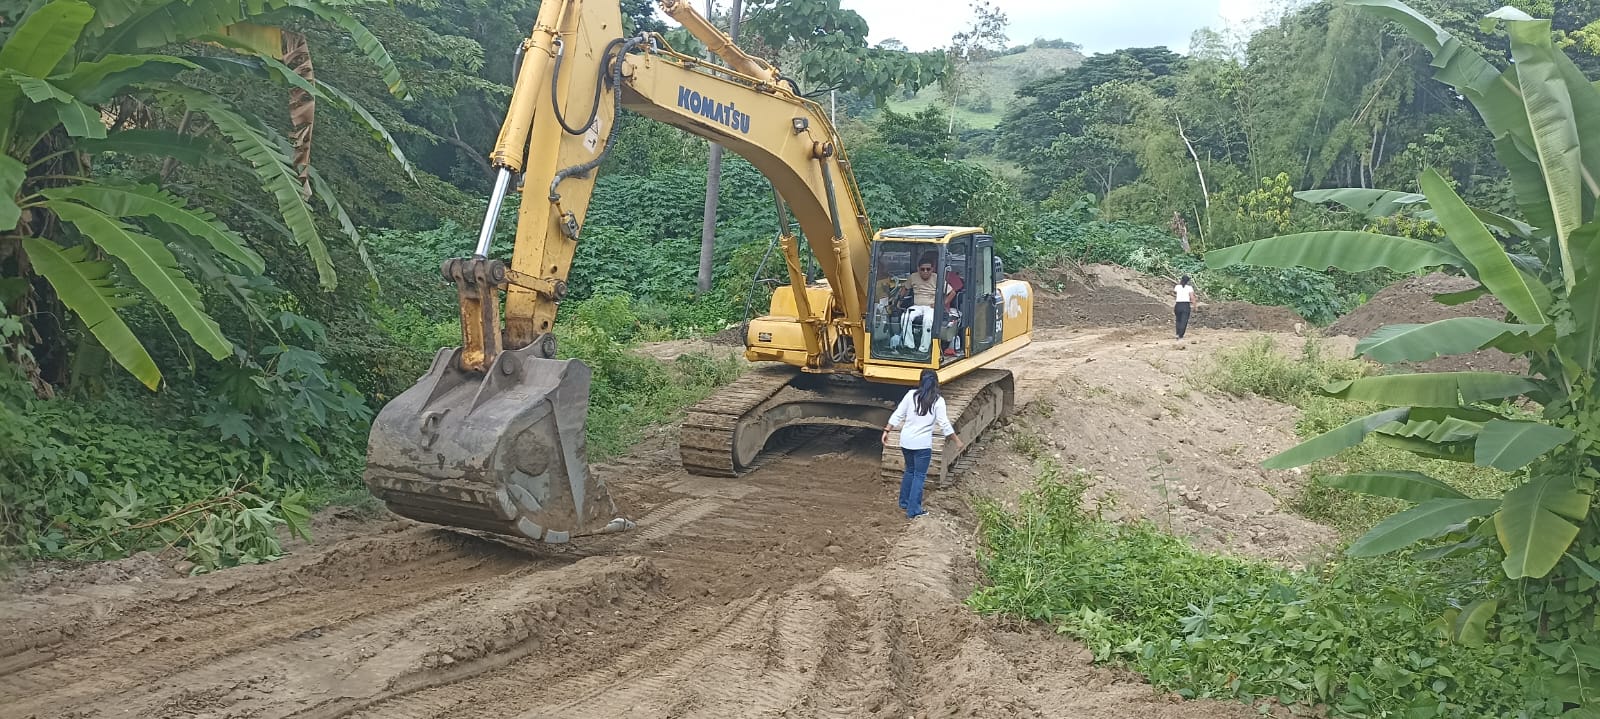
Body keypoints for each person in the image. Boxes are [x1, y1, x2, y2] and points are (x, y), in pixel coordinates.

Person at [882, 369, 964, 519]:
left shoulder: (910, 395)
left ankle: (904, 502)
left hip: (906, 442)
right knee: (919, 476)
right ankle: (914, 510)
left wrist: (887, 430)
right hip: (922, 445)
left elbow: (898, 413)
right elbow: (944, 424)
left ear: (920, 381)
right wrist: (957, 440)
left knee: (909, 471)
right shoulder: (938, 401)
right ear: (936, 383)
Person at [894, 256, 940, 353]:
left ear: (932, 269)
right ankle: (909, 346)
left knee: (928, 320)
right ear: (918, 269)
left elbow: (952, 292)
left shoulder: (937, 278)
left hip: (931, 307)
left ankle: (923, 349)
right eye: (922, 269)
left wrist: (939, 304)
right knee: (905, 317)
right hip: (917, 306)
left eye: (928, 269)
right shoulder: (913, 277)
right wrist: (898, 302)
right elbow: (905, 289)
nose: (925, 271)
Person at [1174, 274, 1196, 339]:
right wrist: (1195, 306)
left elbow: (1174, 293)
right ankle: (1180, 335)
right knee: (1184, 321)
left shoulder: (1177, 287)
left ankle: (1177, 333)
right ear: (1188, 281)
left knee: (1178, 320)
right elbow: (1192, 297)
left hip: (1178, 305)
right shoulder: (1189, 288)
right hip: (1185, 305)